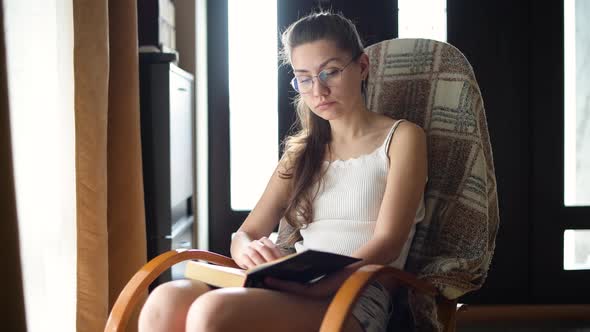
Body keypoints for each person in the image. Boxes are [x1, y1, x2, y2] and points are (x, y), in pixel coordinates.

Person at [138, 10, 427, 332]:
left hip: (357, 290)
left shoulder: (402, 138)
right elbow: (244, 233)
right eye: (304, 78)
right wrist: (250, 250)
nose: (318, 90)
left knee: (212, 311)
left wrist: (321, 286)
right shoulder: (302, 153)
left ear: (361, 67)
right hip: (297, 282)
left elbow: (388, 241)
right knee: (165, 301)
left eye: (330, 72)